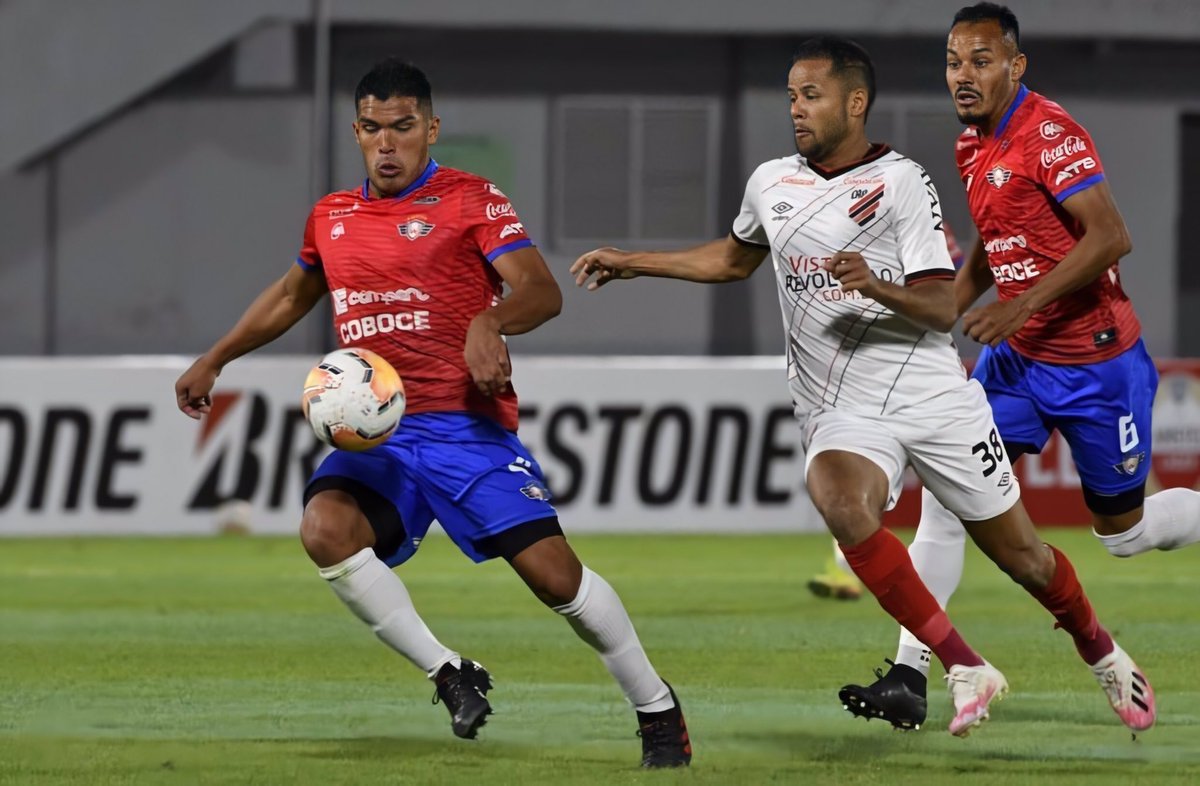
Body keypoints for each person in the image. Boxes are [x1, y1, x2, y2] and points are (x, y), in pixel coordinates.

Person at [571, 36, 1155, 737]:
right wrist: (634, 261)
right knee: (840, 502)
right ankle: (962, 664)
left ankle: (1101, 651)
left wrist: (875, 284)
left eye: (810, 95)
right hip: (843, 407)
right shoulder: (770, 183)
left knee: (1027, 560)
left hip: (932, 397)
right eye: (791, 96)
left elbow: (942, 309)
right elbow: (733, 259)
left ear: (855, 103)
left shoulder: (903, 182)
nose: (796, 109)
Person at [173, 59, 691, 769]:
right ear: (356, 131)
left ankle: (656, 708)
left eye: (403, 128)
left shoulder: (470, 200)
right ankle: (449, 672)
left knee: (555, 580)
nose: (388, 144)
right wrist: (217, 357)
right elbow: (294, 295)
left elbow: (541, 291)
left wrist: (490, 323)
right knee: (325, 529)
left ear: (430, 129)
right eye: (373, 129)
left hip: (463, 428)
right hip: (379, 435)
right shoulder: (333, 215)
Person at [842, 1, 1199, 732]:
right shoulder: (973, 146)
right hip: (1017, 366)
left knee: (1122, 535)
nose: (963, 75)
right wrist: (924, 297)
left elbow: (1110, 236)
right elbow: (993, 236)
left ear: (1016, 65)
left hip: (1097, 366)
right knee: (946, 497)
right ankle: (916, 672)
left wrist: (1017, 305)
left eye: (980, 59)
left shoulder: (1050, 133)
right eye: (952, 61)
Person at [807, 223, 966, 603]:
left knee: (946, 505)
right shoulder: (840, 220)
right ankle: (849, 569)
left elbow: (952, 274)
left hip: (920, 372)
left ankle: (902, 576)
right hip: (864, 373)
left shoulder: (914, 219)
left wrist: (893, 289)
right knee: (850, 486)